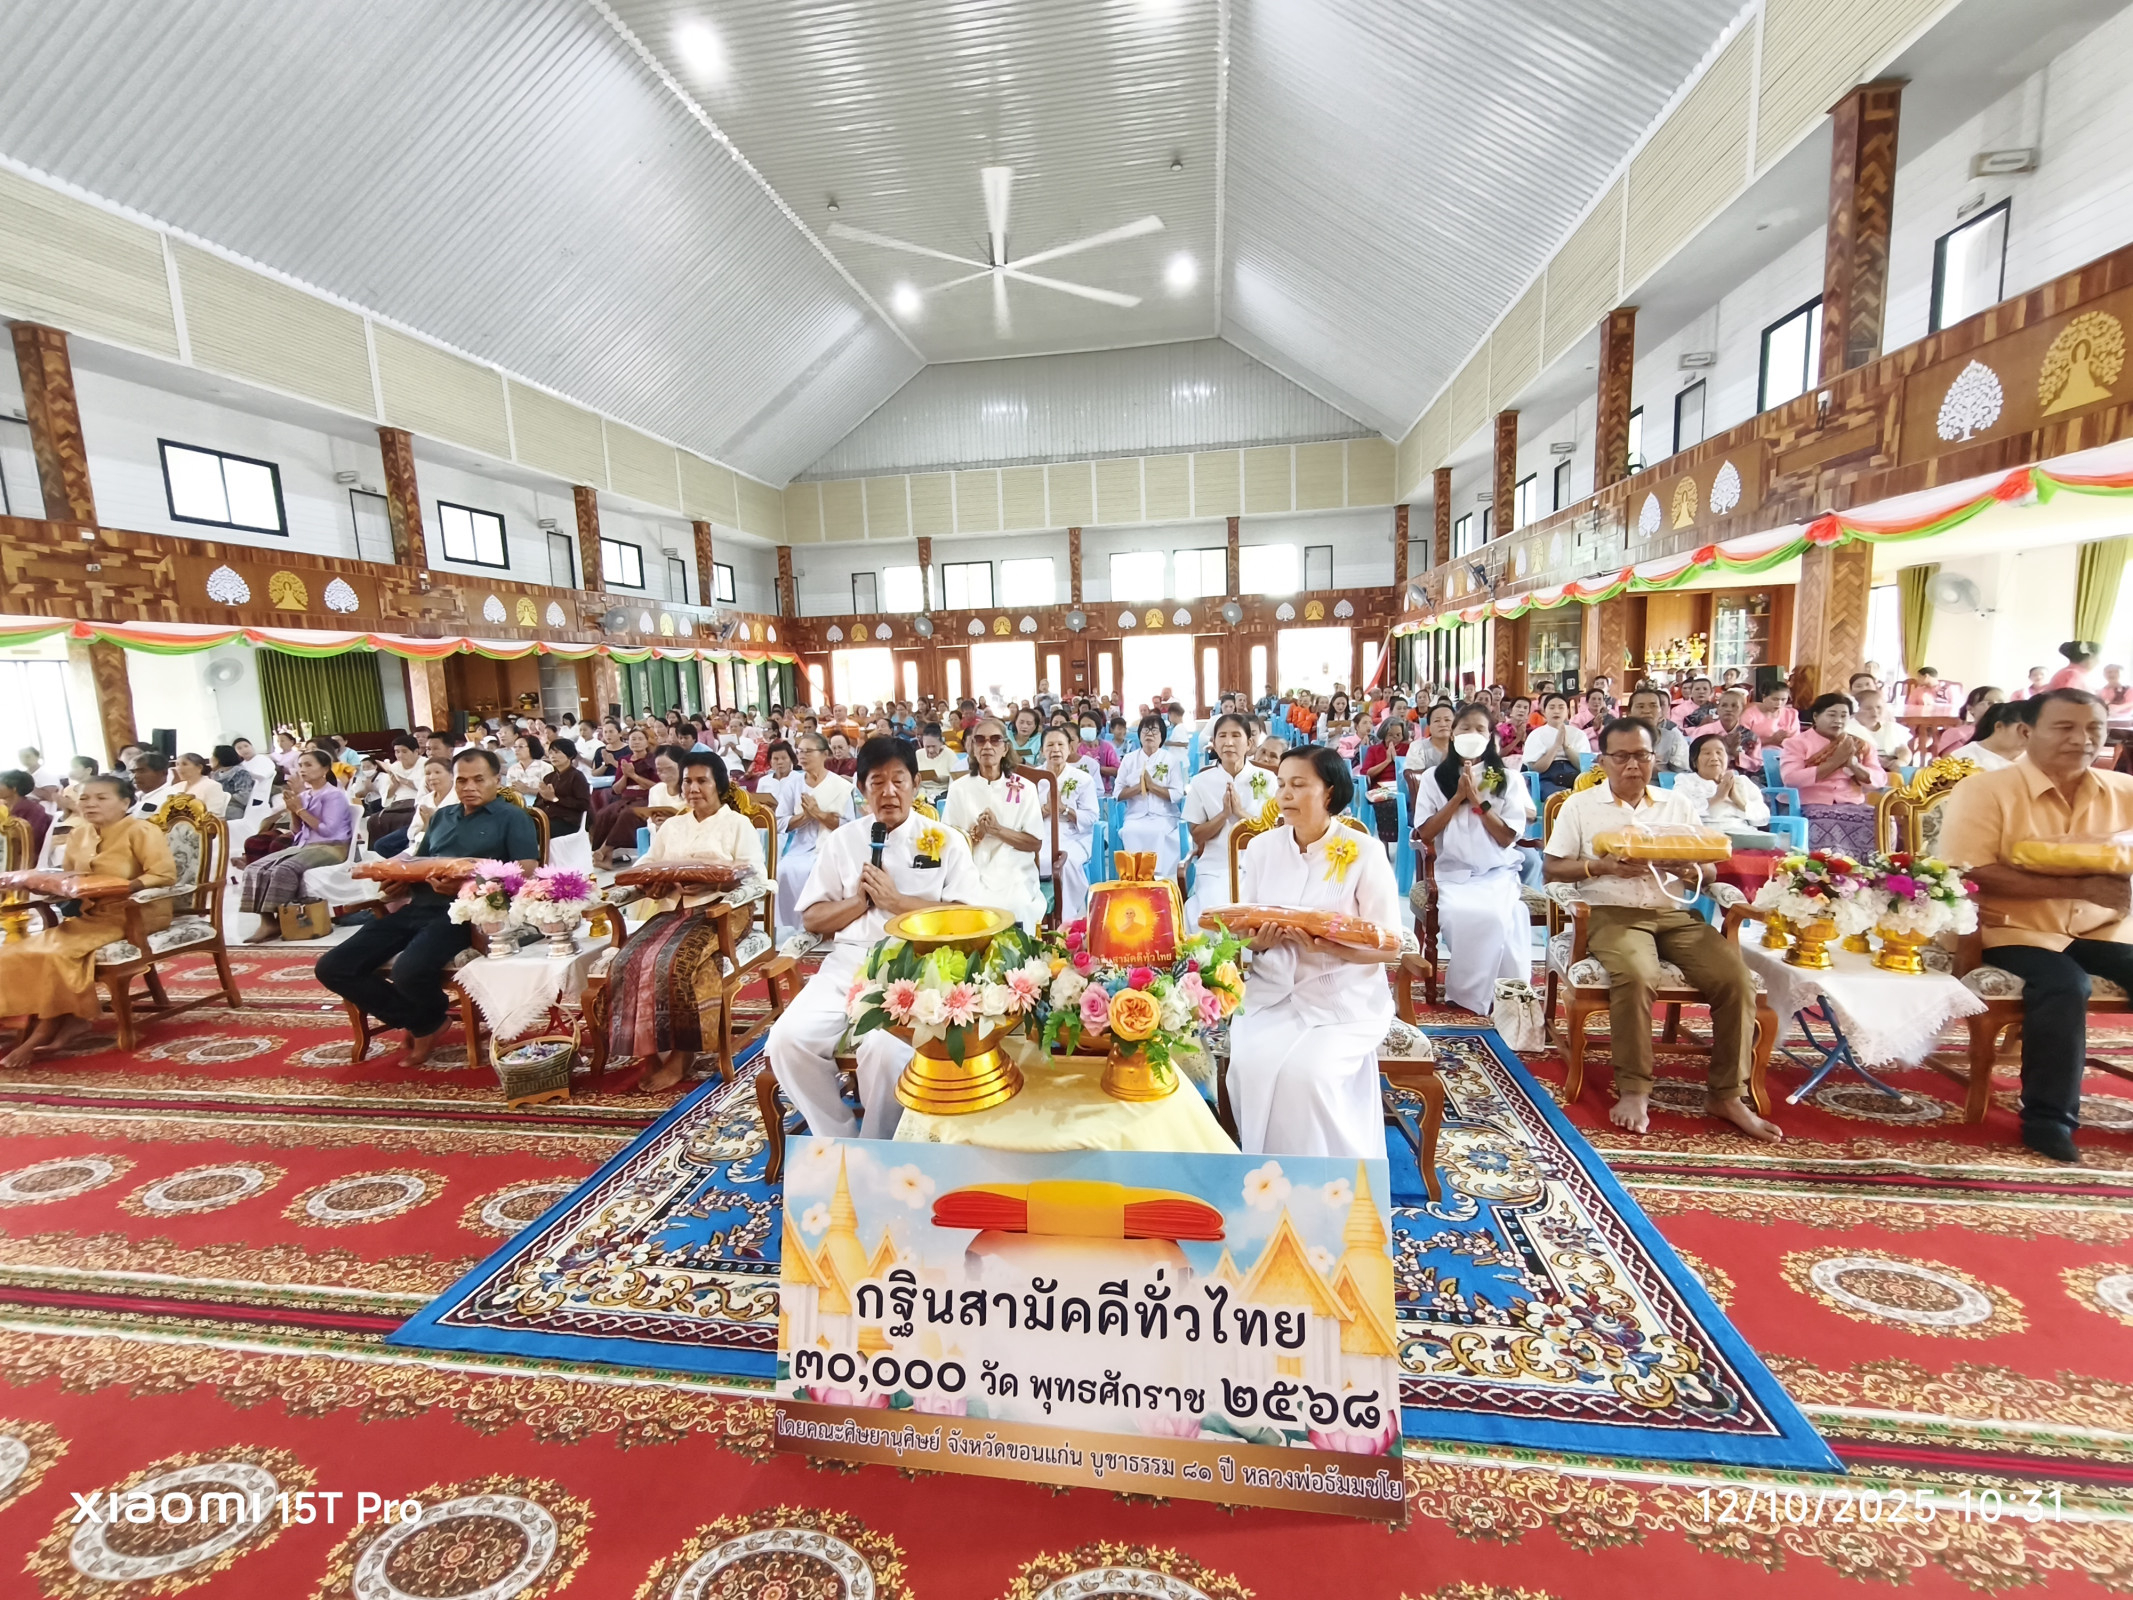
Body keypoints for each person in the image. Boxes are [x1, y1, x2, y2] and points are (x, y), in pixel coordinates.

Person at [1543, 717, 1781, 1142]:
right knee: (1637, 974)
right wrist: (1600, 866)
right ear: (1603, 761)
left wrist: (1688, 867)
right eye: (1621, 756)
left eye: (1641, 755)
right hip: (1612, 912)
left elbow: (1707, 870)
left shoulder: (1677, 805)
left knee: (1736, 980)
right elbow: (1552, 868)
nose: (1632, 765)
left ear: (1655, 758)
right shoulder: (1581, 806)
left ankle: (1727, 1093)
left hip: (1674, 913)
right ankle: (1634, 1088)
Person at [1938, 689, 2133, 1163]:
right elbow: (1971, 870)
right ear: (2027, 732)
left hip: (2099, 929)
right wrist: (2080, 887)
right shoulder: (1985, 790)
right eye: (2065, 728)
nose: (2082, 740)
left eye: (2093, 729)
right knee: (2065, 985)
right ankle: (2049, 1118)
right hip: (2009, 929)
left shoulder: (2123, 792)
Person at [766, 736, 983, 1141]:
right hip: (848, 960)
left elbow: (966, 918)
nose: (889, 792)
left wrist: (898, 901)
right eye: (877, 782)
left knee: (885, 1051)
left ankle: (878, 1146)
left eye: (899, 780)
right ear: (862, 789)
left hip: (917, 961)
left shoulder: (945, 840)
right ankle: (837, 1139)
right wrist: (858, 902)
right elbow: (813, 917)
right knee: (786, 1040)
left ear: (916, 784)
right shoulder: (843, 841)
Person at [1228, 747, 1401, 1158]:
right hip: (1271, 995)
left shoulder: (1364, 851)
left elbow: (1389, 944)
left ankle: (1334, 1185)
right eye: (1281, 785)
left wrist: (1335, 947)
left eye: (1299, 785)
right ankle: (1265, 1177)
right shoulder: (1263, 849)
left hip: (1342, 997)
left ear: (1328, 791)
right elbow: (1244, 932)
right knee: (1249, 1066)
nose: (1284, 795)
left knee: (1307, 1076)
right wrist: (1260, 941)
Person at [317, 749, 541, 1065]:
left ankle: (423, 1021)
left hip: (467, 915)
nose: (469, 787)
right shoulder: (441, 816)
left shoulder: (512, 816)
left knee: (408, 971)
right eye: (462, 780)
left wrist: (469, 885)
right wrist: (401, 881)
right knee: (333, 966)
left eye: (479, 779)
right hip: (417, 906)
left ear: (496, 779)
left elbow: (526, 869)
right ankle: (425, 1020)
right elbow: (421, 862)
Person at [603, 750, 766, 1091]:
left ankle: (683, 1052)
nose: (693, 788)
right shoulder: (673, 826)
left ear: (719, 786)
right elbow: (645, 865)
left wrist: (717, 883)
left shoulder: (738, 824)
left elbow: (756, 876)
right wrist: (652, 883)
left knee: (676, 962)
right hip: (677, 909)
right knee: (626, 960)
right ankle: (646, 1047)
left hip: (723, 911)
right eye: (688, 781)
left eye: (702, 781)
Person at [0, 773, 176, 1068]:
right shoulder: (78, 834)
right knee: (15, 952)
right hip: (89, 914)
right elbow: (71, 877)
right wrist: (42, 885)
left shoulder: (141, 830)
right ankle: (46, 1021)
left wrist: (120, 887)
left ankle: (50, 1027)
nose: (90, 804)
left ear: (124, 802)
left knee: (59, 953)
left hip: (134, 914)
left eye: (101, 798)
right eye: (84, 798)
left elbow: (164, 875)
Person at [1412, 706, 1532, 1015]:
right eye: (1464, 728)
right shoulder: (1433, 778)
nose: (1472, 735)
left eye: (1480, 729)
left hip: (1496, 873)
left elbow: (1507, 838)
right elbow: (1424, 833)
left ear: (1490, 736)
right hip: (1451, 874)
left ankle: (1503, 993)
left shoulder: (1507, 778)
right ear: (1453, 734)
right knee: (1471, 914)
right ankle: (1467, 995)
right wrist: (1456, 799)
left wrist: (1478, 802)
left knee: (1503, 915)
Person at [239, 749, 354, 942]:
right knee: (254, 867)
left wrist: (299, 808)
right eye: (300, 765)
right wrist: (293, 809)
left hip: (332, 846)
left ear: (325, 768)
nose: (302, 770)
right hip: (306, 845)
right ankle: (268, 922)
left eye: (308, 765)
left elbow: (327, 830)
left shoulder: (333, 795)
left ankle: (286, 919)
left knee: (285, 869)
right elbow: (295, 830)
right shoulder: (307, 794)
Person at [944, 717, 1046, 931]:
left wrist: (998, 830)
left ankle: (1020, 960)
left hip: (1013, 865)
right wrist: (978, 833)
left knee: (1016, 903)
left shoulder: (1024, 788)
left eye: (995, 740)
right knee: (965, 903)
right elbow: (949, 843)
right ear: (972, 747)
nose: (987, 746)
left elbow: (1035, 843)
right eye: (980, 740)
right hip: (971, 865)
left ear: (1005, 748)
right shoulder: (959, 789)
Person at [1184, 713, 1276, 928]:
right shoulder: (1201, 782)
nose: (1229, 742)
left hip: (1258, 866)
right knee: (1214, 911)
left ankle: (1252, 961)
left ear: (1249, 743)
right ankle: (1217, 962)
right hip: (1216, 867)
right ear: (1214, 744)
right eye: (1222, 736)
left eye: (1236, 735)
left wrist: (1241, 812)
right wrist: (1224, 815)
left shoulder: (1267, 779)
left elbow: (1275, 832)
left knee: (1256, 913)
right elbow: (1196, 834)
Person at [1779, 693, 1887, 859]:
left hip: (1851, 802)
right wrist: (1834, 762)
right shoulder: (1796, 743)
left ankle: (1869, 872)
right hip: (1810, 803)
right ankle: (1823, 875)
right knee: (1824, 822)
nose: (1838, 720)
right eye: (1832, 715)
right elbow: (1791, 778)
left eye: (1844, 716)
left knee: (1884, 822)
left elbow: (1879, 779)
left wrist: (1854, 766)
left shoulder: (1859, 745)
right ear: (1815, 716)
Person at [774, 733, 856, 936]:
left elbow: (848, 825)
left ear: (824, 754)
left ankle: (823, 925)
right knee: (784, 870)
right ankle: (795, 927)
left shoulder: (840, 786)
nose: (802, 756)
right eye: (799, 751)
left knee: (815, 869)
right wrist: (805, 817)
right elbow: (779, 821)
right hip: (799, 846)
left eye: (808, 751)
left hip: (831, 846)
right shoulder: (793, 785)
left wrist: (818, 813)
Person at [1040, 725, 1100, 924]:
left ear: (1069, 749)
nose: (1055, 749)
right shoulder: (1031, 779)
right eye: (1050, 745)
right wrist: (1046, 810)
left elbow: (1091, 816)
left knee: (1064, 862)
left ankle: (1066, 919)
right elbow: (1020, 816)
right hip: (1039, 834)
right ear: (1042, 750)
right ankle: (1036, 916)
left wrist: (1064, 809)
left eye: (1060, 744)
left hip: (1074, 835)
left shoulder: (1082, 779)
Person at [1114, 714, 1183, 880]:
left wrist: (1152, 787)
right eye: (1145, 730)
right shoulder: (1129, 760)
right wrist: (1139, 787)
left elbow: (1178, 794)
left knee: (1158, 831)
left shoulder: (1170, 760)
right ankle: (1133, 877)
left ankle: (1157, 878)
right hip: (1136, 816)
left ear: (1162, 737)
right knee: (1130, 831)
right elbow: (1117, 793)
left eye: (1154, 730)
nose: (1149, 734)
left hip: (1164, 815)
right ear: (1139, 735)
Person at [590, 728, 660, 865]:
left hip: (646, 798)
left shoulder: (653, 760)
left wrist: (634, 776)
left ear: (647, 743)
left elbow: (656, 786)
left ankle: (604, 850)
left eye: (640, 739)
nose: (636, 742)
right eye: (633, 739)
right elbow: (616, 789)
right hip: (626, 798)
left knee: (627, 815)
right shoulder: (624, 760)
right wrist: (626, 775)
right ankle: (607, 858)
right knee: (604, 814)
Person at [1523, 693, 1589, 799]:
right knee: (1561, 798)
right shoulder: (1536, 734)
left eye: (1561, 707)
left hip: (1575, 777)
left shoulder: (1578, 734)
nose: (1556, 711)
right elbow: (1536, 768)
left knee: (1586, 797)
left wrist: (1566, 747)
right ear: (1544, 712)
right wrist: (1556, 746)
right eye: (1552, 707)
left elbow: (1583, 766)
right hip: (1547, 778)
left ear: (1568, 711)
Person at [536, 736, 591, 853]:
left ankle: (540, 863)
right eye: (550, 753)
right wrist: (545, 799)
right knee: (519, 828)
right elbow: (538, 802)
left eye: (557, 752)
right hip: (547, 818)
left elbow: (583, 804)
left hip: (567, 821)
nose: (553, 756)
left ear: (569, 755)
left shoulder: (577, 777)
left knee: (533, 834)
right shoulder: (548, 777)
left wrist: (555, 799)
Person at [1948, 699, 2036, 772]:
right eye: (2024, 731)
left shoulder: (2035, 760)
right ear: (1999, 727)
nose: (2029, 737)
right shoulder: (1963, 757)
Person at [1848, 675, 1914, 766]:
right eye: (1868, 708)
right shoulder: (1849, 728)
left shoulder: (1890, 726)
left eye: (1878, 707)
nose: (1875, 711)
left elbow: (1903, 750)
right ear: (1856, 709)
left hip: (1892, 766)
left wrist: (1903, 761)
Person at [1626, 688, 1690, 772]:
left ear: (1660, 712)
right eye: (1640, 706)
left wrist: (1660, 771)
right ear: (1629, 712)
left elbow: (1684, 773)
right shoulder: (1618, 737)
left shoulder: (1673, 738)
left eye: (1653, 706)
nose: (1647, 711)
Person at [1934, 686, 2005, 758]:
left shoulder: (2008, 735)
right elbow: (1949, 764)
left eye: (2001, 703)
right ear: (1971, 709)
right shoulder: (1956, 734)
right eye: (1989, 703)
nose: (1997, 706)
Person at [0, 769, 51, 860]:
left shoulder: (34, 810)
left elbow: (32, 840)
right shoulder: (3, 808)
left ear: (14, 788)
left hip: (23, 858)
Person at [171, 752, 230, 817]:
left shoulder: (212, 786)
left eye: (184, 764)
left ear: (199, 767)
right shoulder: (176, 787)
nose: (179, 768)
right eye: (177, 764)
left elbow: (214, 814)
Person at [914, 723, 960, 802]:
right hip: (922, 792)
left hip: (943, 793)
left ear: (941, 743)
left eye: (934, 746)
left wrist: (941, 779)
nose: (931, 751)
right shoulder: (918, 754)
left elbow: (957, 779)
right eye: (927, 747)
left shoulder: (949, 754)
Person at [209, 745, 254, 821]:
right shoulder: (214, 774)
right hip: (218, 806)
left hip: (234, 808)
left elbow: (244, 797)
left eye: (213, 755)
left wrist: (222, 797)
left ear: (220, 758)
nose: (210, 758)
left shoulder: (240, 773)